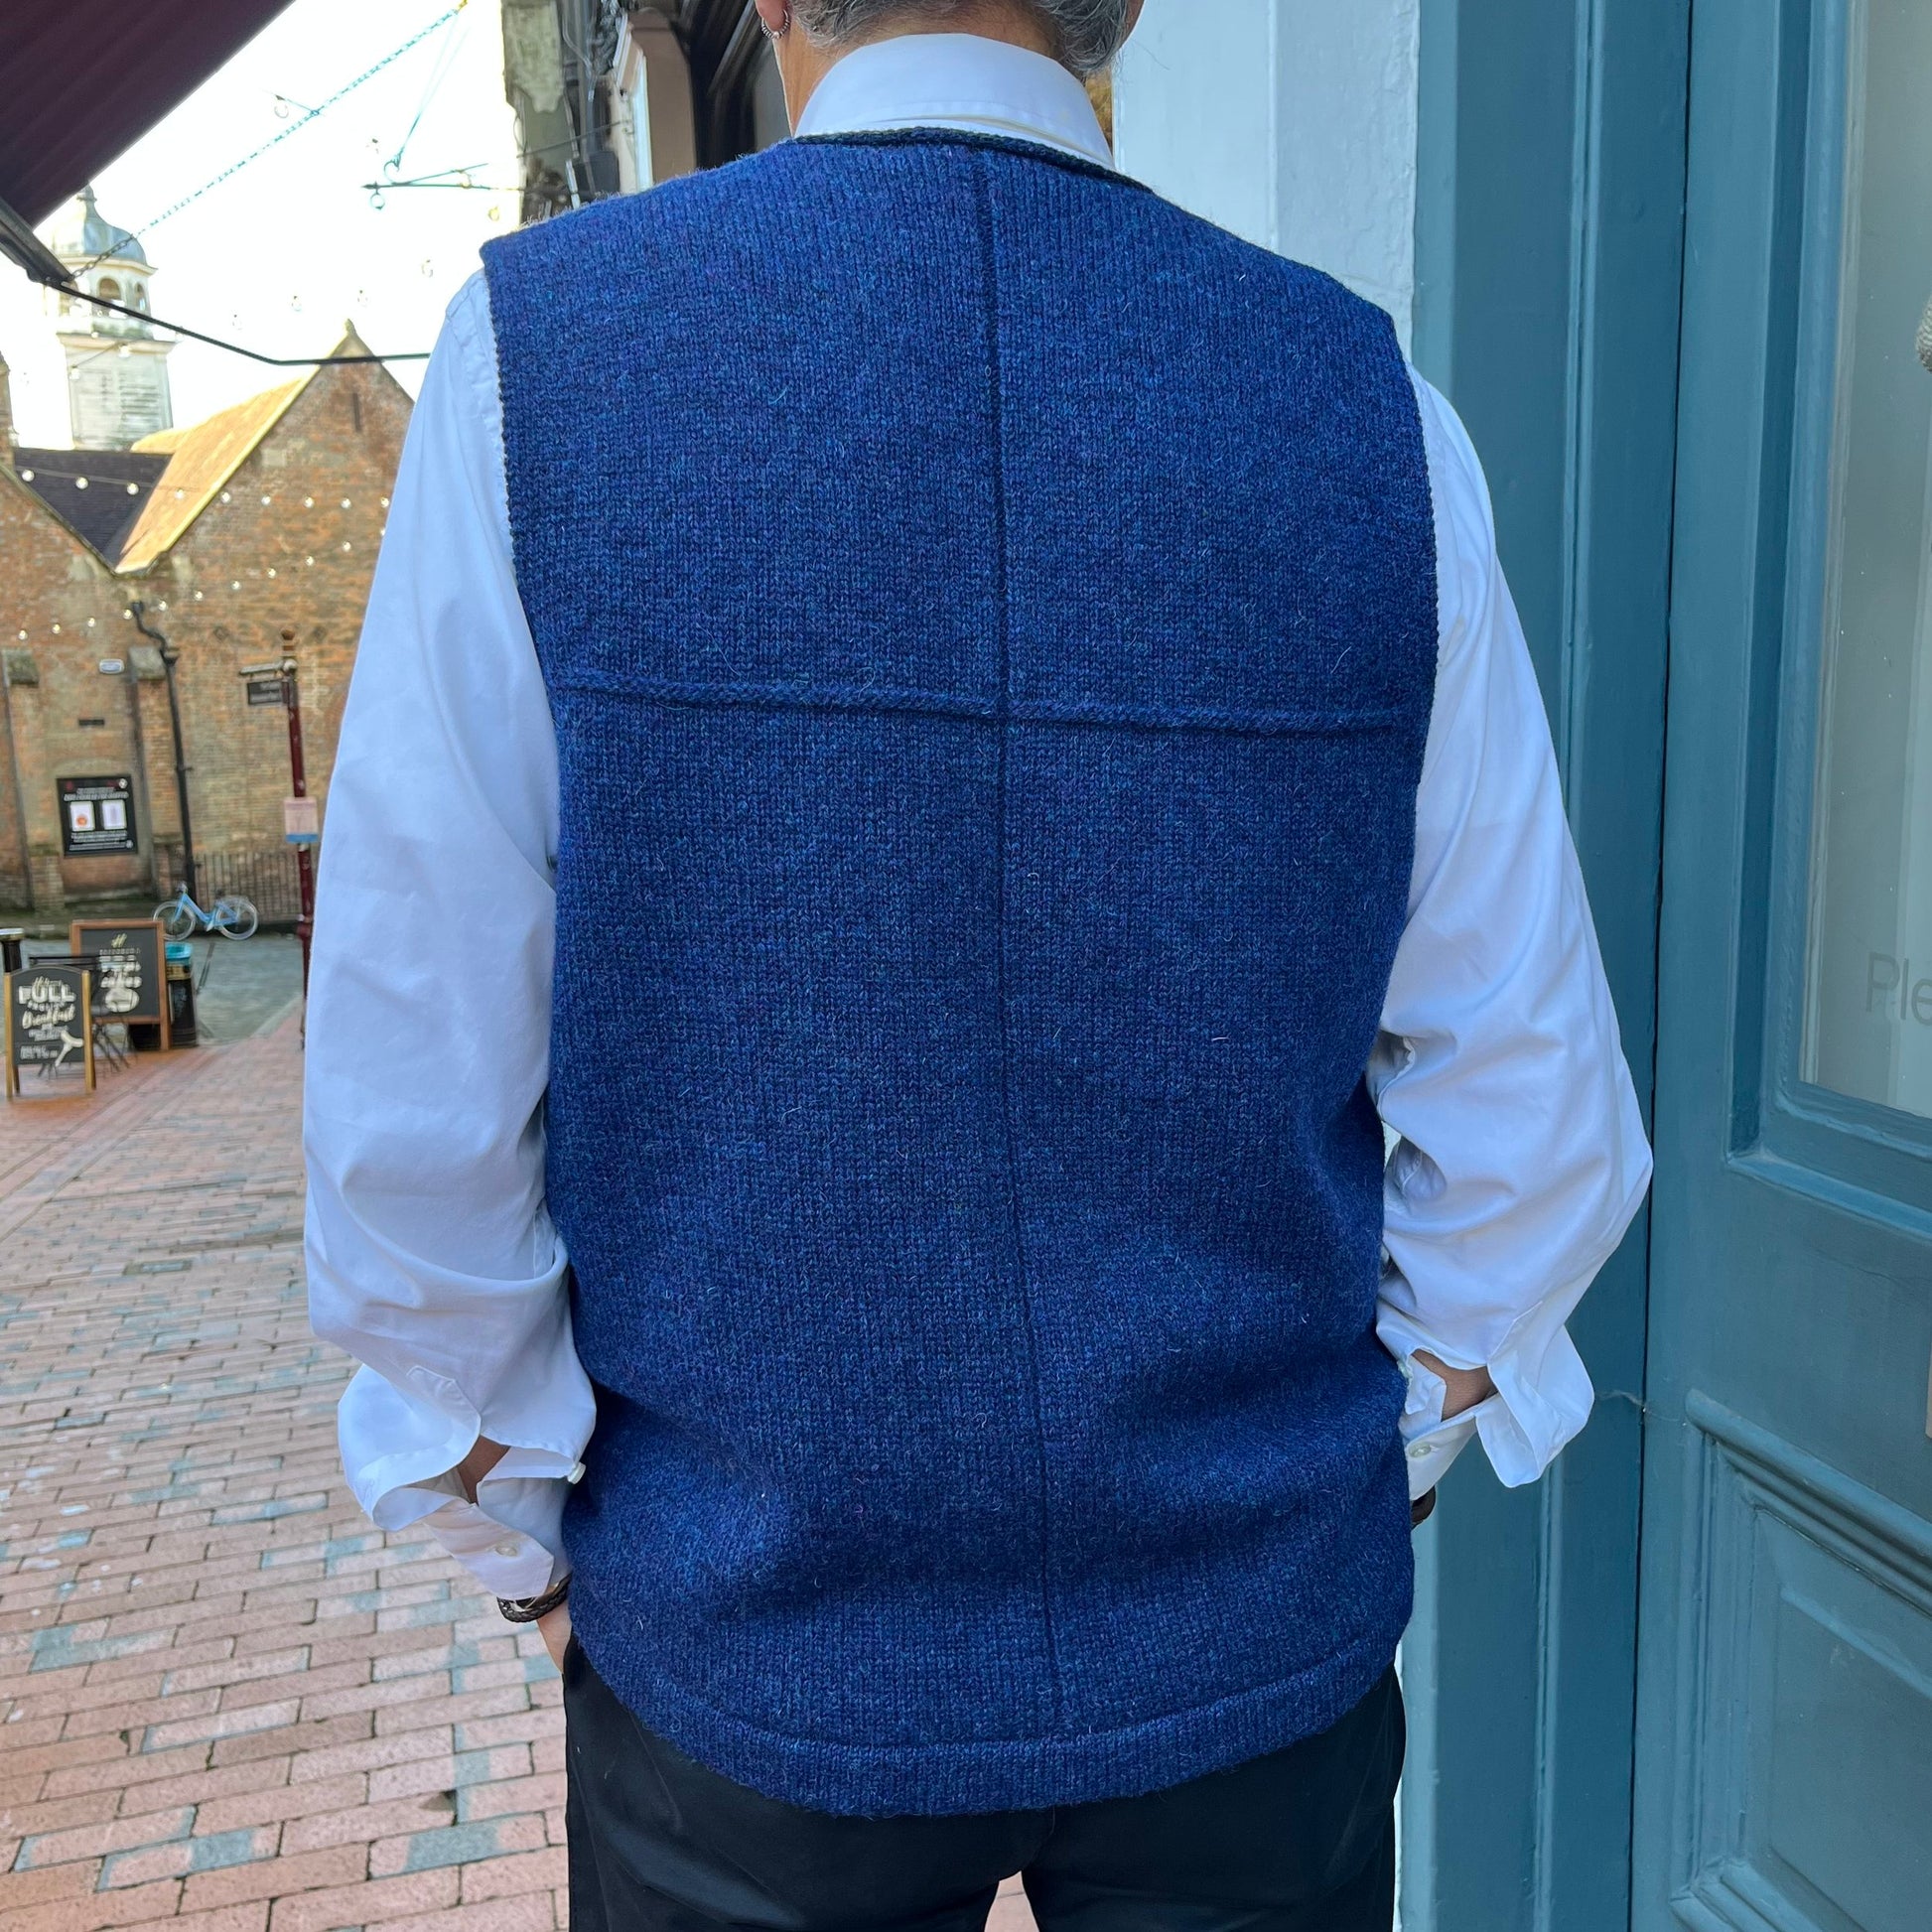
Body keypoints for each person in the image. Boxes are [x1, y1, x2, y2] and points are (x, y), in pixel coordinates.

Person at [303, 1, 1652, 1925]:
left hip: (745, 1669)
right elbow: (1536, 1120)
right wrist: (1362, 1462)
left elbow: (412, 1120)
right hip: (1249, 1656)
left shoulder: (545, 367)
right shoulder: (1364, 414)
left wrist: (534, 1551)